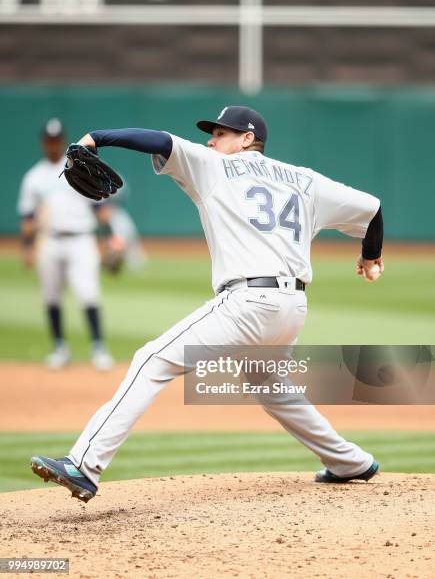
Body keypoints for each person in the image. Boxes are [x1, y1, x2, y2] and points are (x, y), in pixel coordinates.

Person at [30, 106, 384, 502]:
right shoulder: (305, 180)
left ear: (247, 139)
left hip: (247, 303)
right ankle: (350, 461)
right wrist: (370, 258)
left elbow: (159, 140)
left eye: (220, 133)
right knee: (271, 386)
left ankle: (84, 464)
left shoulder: (214, 165)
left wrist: (95, 136)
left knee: (152, 359)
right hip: (292, 306)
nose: (211, 141)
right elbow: (372, 209)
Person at [17, 118, 114, 371]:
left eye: (56, 140)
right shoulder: (33, 177)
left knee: (88, 293)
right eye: (49, 140)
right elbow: (27, 218)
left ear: (62, 141)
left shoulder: (78, 167)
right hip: (49, 240)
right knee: (51, 297)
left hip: (81, 239)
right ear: (43, 143)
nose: (53, 144)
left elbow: (100, 207)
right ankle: (60, 347)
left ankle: (98, 348)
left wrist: (109, 237)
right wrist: (27, 247)